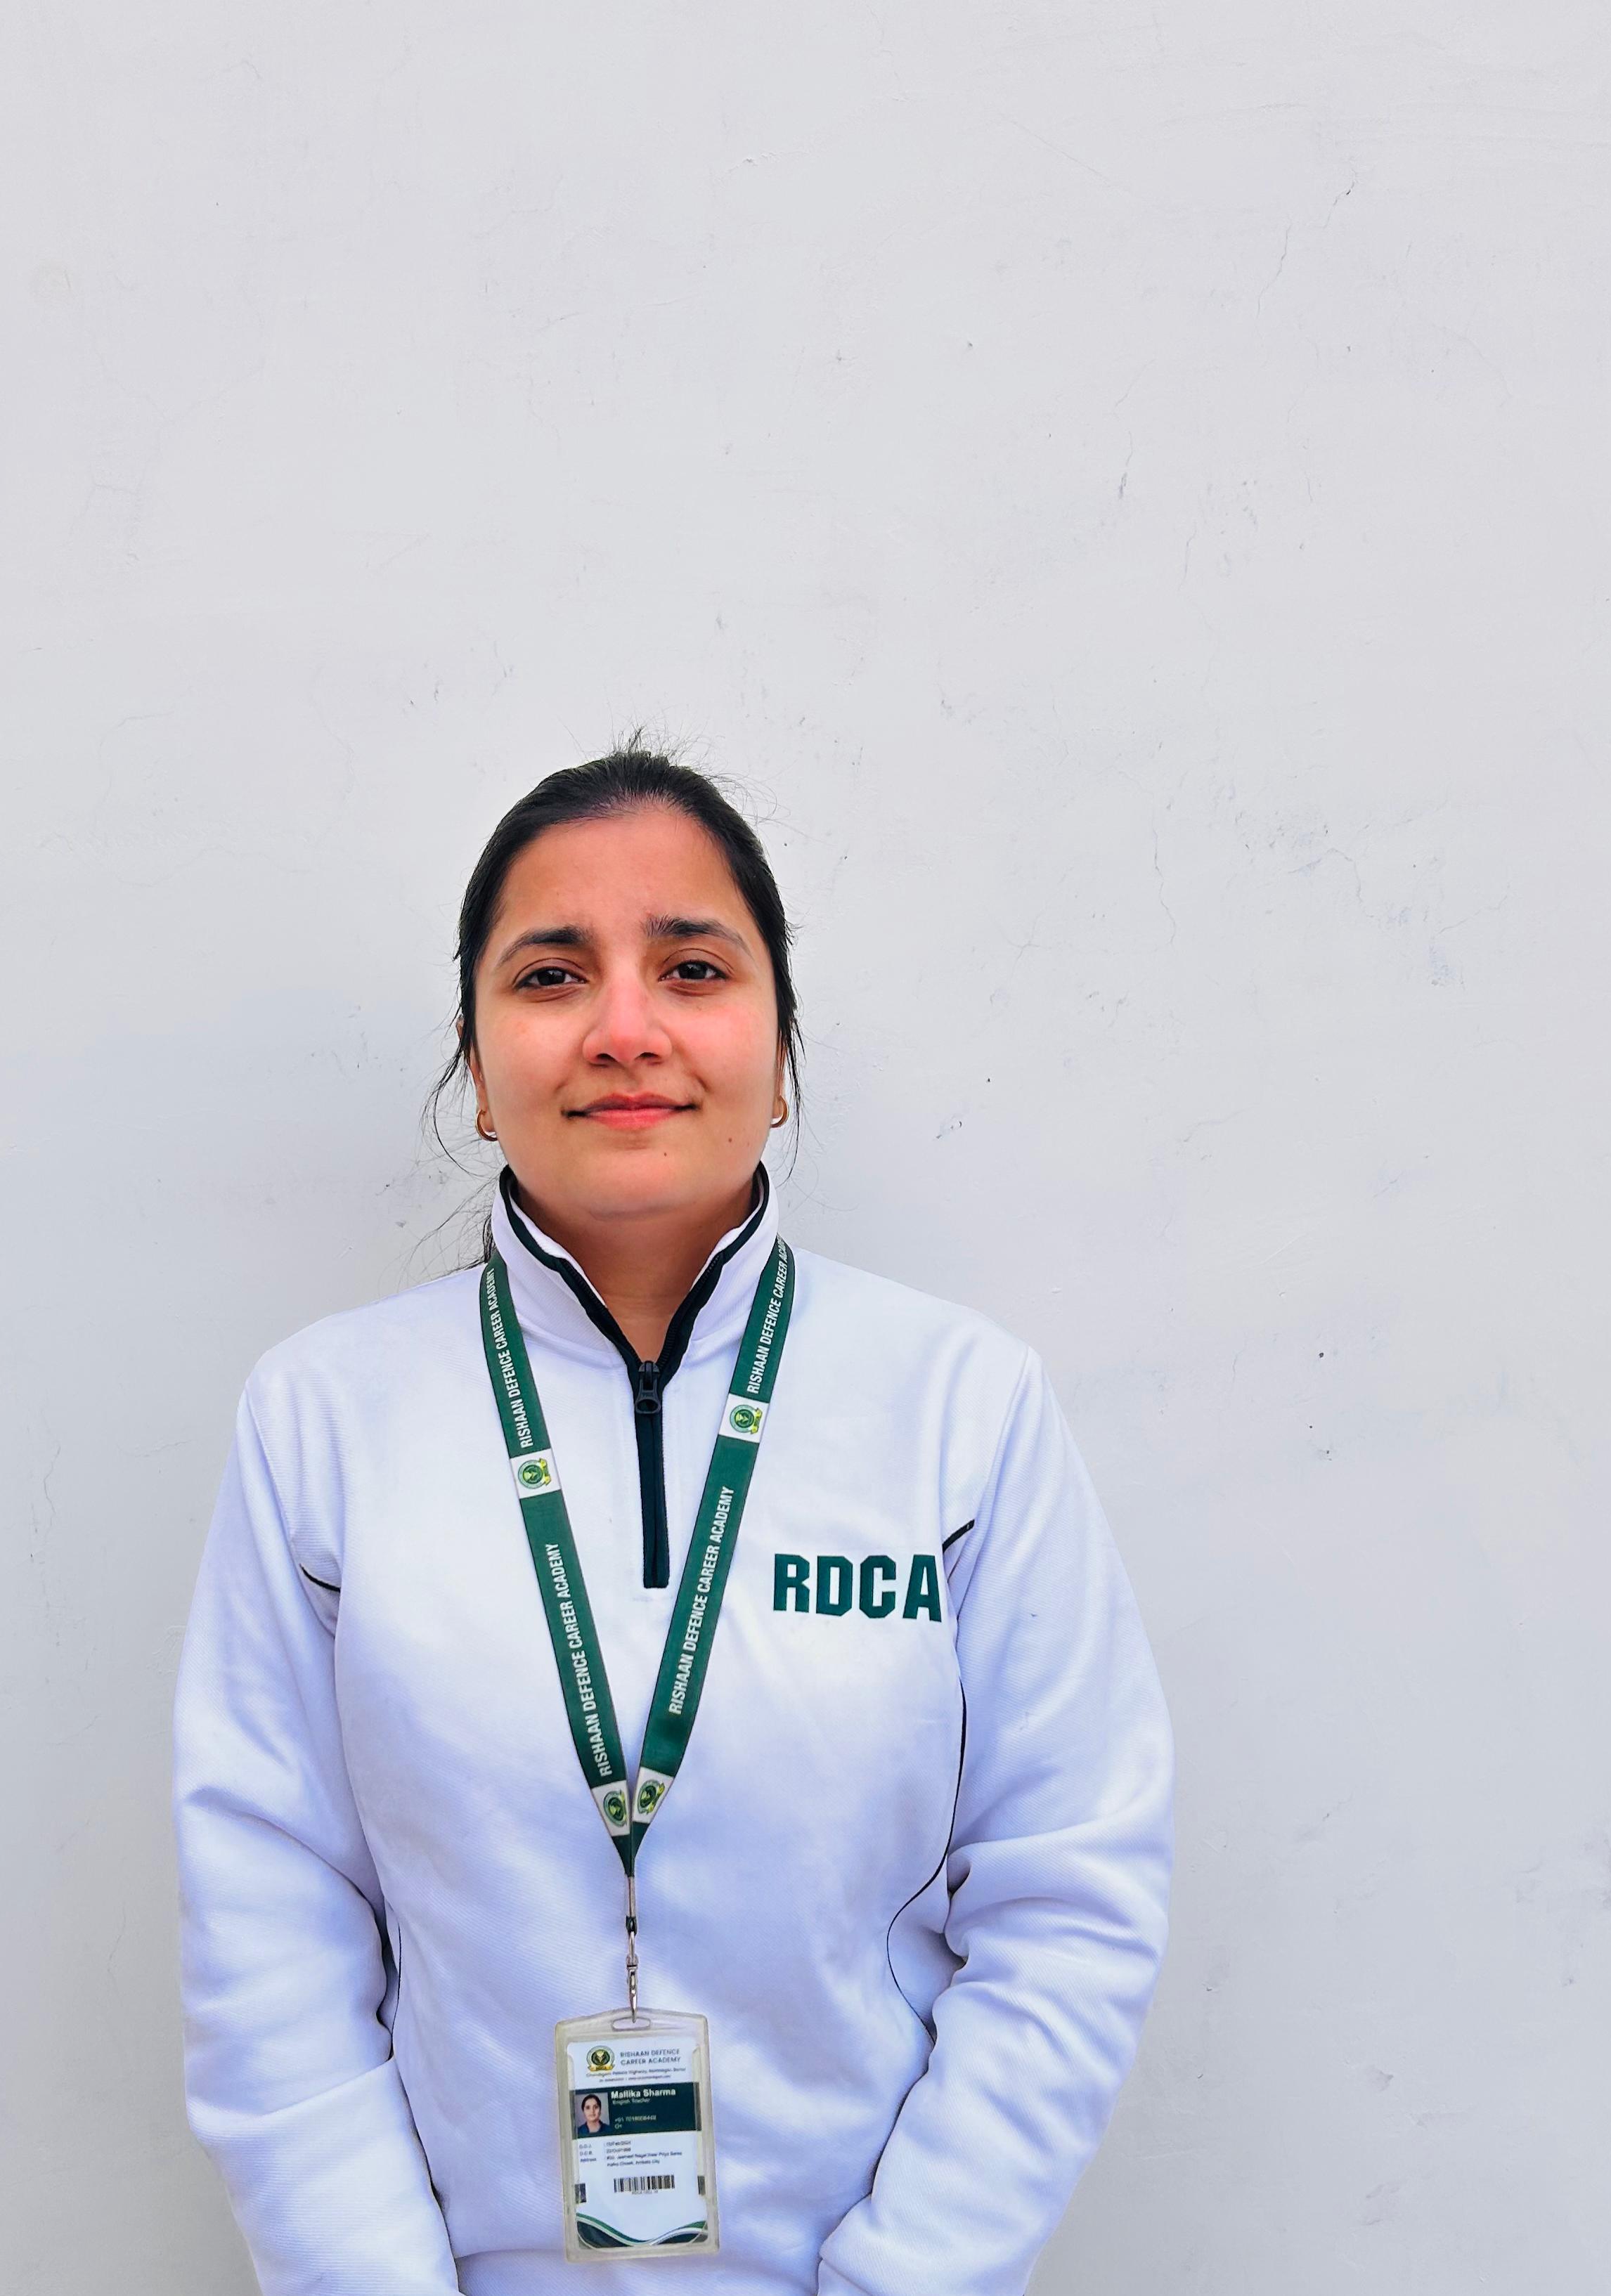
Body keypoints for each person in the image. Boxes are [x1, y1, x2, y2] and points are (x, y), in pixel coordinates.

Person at [172, 748, 1175, 2296]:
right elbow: (269, 1929)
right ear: (477, 1066)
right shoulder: (323, 1419)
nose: (624, 1028)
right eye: (552, 974)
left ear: (780, 1051)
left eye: (693, 967)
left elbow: (1072, 1898)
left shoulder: (959, 1405)